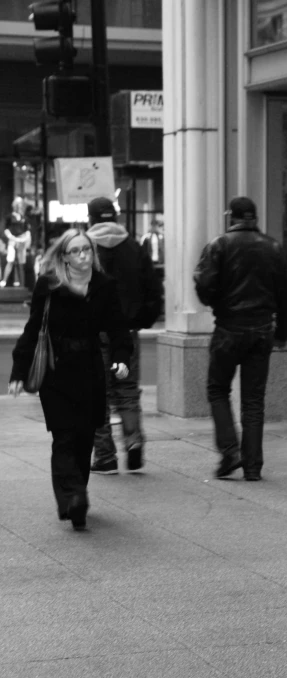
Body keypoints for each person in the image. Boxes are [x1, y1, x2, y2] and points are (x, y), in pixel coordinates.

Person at [8, 228, 132, 530]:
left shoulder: (104, 286)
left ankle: (76, 498)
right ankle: (73, 496)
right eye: (75, 251)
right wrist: (18, 372)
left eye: (87, 250)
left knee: (85, 437)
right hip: (57, 373)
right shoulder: (49, 286)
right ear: (64, 256)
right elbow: (32, 329)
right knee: (64, 436)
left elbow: (118, 328)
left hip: (90, 370)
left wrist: (122, 359)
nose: (83, 256)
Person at [193, 196, 287, 481]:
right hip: (262, 331)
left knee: (217, 390)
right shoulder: (273, 247)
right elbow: (285, 294)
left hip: (228, 328)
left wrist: (216, 301)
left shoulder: (219, 245)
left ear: (230, 216)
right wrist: (282, 332)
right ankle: (252, 466)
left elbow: (204, 287)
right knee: (253, 400)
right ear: (254, 217)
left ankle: (229, 451)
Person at [86, 197, 162, 475]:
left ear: (91, 218)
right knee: (127, 390)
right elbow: (153, 290)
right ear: (116, 217)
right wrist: (141, 320)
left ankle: (104, 457)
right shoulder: (134, 247)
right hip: (126, 331)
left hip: (92, 334)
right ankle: (133, 441)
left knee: (98, 394)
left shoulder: (83, 247)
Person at [1, 197, 31, 288]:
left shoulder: (24, 218)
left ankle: (22, 284)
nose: (19, 206)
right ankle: (4, 281)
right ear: (14, 205)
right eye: (17, 204)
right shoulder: (9, 217)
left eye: (20, 204)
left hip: (22, 241)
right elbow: (5, 229)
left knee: (21, 263)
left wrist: (24, 239)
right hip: (12, 241)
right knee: (10, 260)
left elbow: (27, 230)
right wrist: (12, 237)